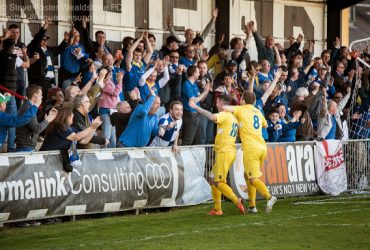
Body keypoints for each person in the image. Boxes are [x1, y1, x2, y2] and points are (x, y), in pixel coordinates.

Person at [189, 94, 245, 215]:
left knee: (219, 182)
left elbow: (211, 117)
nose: (215, 103)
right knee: (213, 179)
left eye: (217, 101)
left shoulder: (225, 115)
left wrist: (196, 107)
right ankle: (217, 208)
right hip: (227, 151)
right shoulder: (233, 117)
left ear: (221, 103)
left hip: (225, 151)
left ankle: (237, 200)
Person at [224, 91, 277, 213]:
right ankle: (252, 206)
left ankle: (269, 196)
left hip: (251, 148)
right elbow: (265, 125)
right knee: (247, 175)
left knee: (252, 178)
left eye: (240, 98)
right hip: (262, 147)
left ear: (243, 100)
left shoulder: (241, 109)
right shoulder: (257, 111)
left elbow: (225, 108)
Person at [15, 85, 58, 152]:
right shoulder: (27, 108)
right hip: (25, 148)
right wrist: (47, 120)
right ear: (35, 96)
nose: (42, 97)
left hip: (26, 146)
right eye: (40, 95)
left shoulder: (28, 107)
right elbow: (37, 129)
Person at [181, 65, 210, 145]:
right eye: (198, 72)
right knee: (188, 140)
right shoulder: (186, 84)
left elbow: (201, 99)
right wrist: (204, 92)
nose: (199, 73)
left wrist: (206, 90)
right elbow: (193, 101)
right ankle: (184, 157)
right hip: (190, 115)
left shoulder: (194, 85)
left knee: (197, 140)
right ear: (194, 73)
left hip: (197, 114)